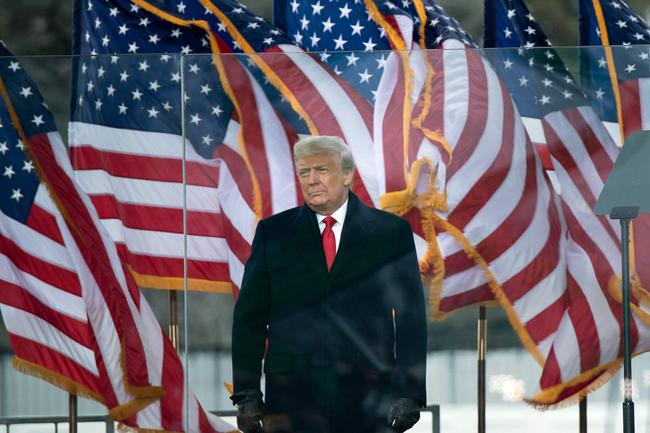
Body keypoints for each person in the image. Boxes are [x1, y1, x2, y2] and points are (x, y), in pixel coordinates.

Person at [231, 135, 427, 433]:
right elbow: (249, 318)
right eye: (304, 173)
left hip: (368, 396)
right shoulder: (274, 233)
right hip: (291, 398)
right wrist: (246, 393)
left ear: (347, 174)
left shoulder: (390, 233)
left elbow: (410, 319)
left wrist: (409, 392)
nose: (311, 180)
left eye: (321, 170)